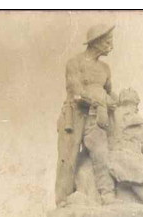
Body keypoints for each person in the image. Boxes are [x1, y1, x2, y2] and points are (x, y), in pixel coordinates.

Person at [55, 24, 117, 207]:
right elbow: (76, 91)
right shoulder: (75, 63)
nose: (111, 45)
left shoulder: (105, 68)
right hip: (75, 114)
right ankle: (63, 199)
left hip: (96, 116)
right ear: (96, 42)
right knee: (68, 155)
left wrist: (118, 102)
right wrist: (100, 102)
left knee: (100, 152)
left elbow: (110, 92)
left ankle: (107, 194)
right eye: (108, 41)